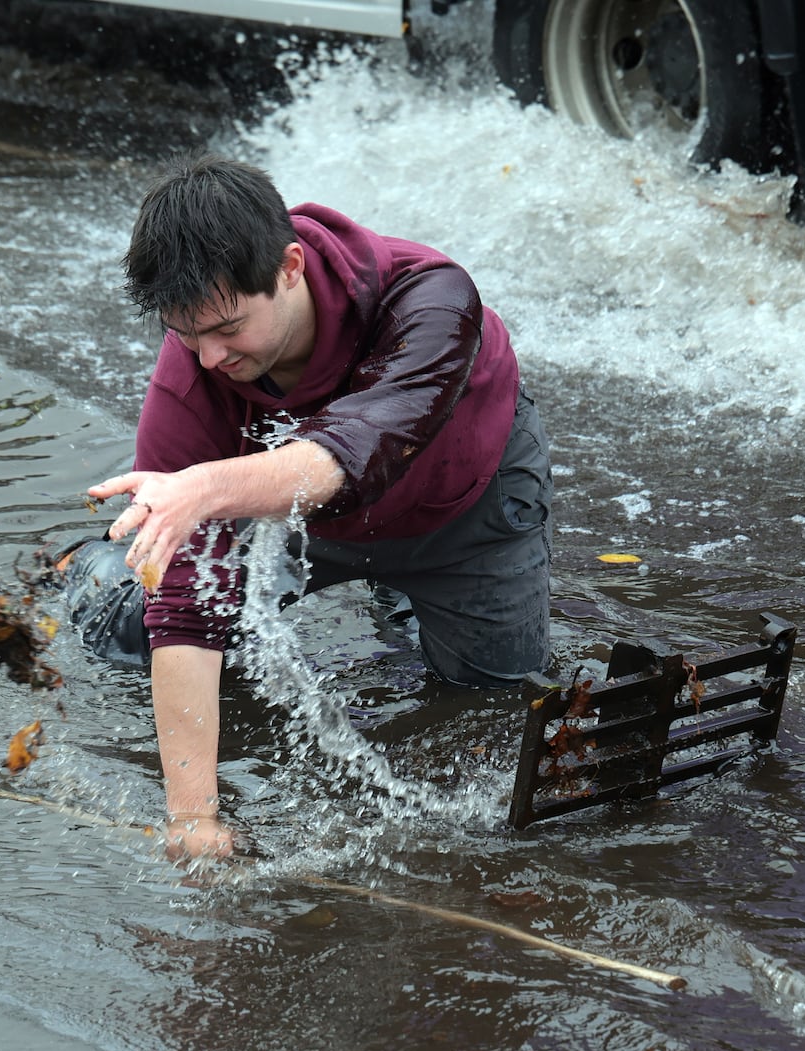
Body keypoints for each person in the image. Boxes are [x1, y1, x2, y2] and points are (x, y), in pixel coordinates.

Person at [68, 155, 552, 861]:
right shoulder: (192, 380)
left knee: (495, 697)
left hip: (464, 507)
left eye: (227, 328)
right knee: (136, 627)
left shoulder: (431, 299)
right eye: (186, 333)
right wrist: (193, 817)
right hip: (295, 523)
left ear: (290, 267)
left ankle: (402, 595)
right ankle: (89, 569)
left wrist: (204, 488)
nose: (207, 358)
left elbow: (364, 446)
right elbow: (185, 610)